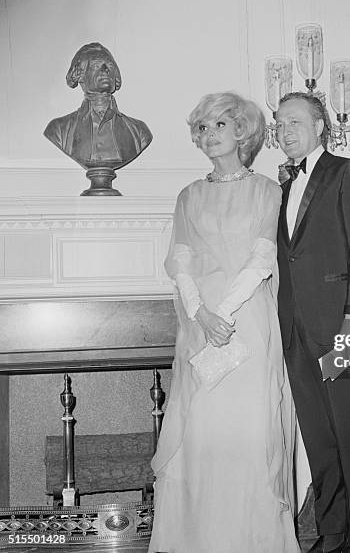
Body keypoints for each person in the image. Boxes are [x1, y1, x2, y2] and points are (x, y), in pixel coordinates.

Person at [149, 92, 300, 553]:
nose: (208, 136)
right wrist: (202, 314)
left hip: (248, 319)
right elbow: (180, 260)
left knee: (251, 428)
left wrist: (226, 313)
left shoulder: (267, 190)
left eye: (218, 126)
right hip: (200, 321)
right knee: (202, 433)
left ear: (242, 132)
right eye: (201, 128)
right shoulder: (189, 196)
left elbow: (262, 257)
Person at [276, 92, 350, 553]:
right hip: (296, 331)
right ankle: (333, 531)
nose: (285, 131)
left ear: (321, 125)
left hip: (342, 326)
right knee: (318, 438)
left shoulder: (348, 173)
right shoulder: (281, 187)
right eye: (279, 124)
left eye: (295, 121)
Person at [44, 42, 152, 169]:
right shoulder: (59, 130)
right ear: (80, 75)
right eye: (96, 66)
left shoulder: (139, 132)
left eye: (109, 66)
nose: (105, 70)